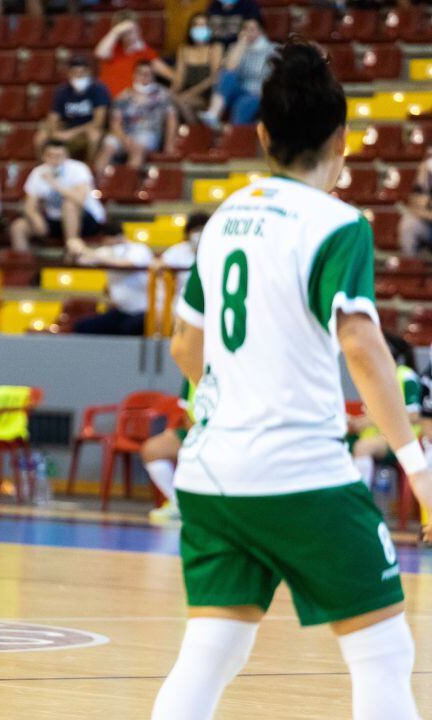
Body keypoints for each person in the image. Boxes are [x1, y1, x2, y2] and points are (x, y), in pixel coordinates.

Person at [155, 41, 431, 720]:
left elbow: (184, 344)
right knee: (384, 653)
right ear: (341, 140)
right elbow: (363, 347)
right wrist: (418, 467)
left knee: (212, 649)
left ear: (262, 135)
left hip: (213, 474)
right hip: (299, 476)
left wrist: (225, 396)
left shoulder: (223, 218)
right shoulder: (340, 225)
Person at [9, 140, 107, 257]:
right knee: (18, 227)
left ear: (67, 156)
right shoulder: (38, 172)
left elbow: (80, 199)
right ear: (43, 156)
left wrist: (53, 182)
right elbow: (29, 205)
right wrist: (35, 218)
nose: (55, 160)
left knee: (69, 205)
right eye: (51, 156)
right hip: (55, 220)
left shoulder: (79, 168)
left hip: (86, 219)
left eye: (59, 156)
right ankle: (23, 268)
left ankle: (71, 252)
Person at [350, 334, 422, 488]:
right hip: (375, 435)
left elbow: (415, 415)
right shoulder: (374, 378)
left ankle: (363, 496)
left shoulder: (406, 376)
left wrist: (373, 420)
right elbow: (370, 414)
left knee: (362, 447)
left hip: (401, 437)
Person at [93, 61, 179, 173]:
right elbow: (115, 123)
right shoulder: (123, 96)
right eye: (141, 73)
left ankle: (126, 185)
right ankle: (97, 184)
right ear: (134, 75)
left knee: (137, 147)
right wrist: (124, 138)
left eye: (148, 74)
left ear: (153, 76)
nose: (144, 77)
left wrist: (169, 144)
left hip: (148, 134)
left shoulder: (162, 94)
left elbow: (171, 119)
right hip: (124, 134)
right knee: (108, 145)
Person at [71, 221, 154, 335]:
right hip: (122, 311)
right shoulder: (106, 251)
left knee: (129, 328)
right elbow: (82, 260)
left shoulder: (139, 250)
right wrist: (74, 247)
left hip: (144, 312)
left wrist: (85, 250)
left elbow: (127, 265)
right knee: (83, 327)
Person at [199, 19, 277, 129]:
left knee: (243, 103)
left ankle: (233, 136)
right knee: (227, 75)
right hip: (239, 90)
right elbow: (230, 68)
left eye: (252, 29)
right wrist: (241, 44)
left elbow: (278, 76)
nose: (248, 32)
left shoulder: (272, 50)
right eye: (245, 29)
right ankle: (213, 113)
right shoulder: (235, 47)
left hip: (259, 93)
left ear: (260, 31)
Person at [34, 56, 111, 162]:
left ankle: (89, 169)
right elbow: (53, 117)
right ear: (69, 73)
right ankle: (44, 167)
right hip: (67, 126)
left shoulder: (99, 89)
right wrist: (54, 132)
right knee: (40, 137)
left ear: (89, 72)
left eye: (83, 72)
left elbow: (98, 122)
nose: (79, 76)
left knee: (94, 137)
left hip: (87, 129)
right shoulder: (62, 91)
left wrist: (71, 133)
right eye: (75, 72)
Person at [141, 379, 195, 525]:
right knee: (153, 449)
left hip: (230, 434)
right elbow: (187, 415)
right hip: (196, 431)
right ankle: (178, 503)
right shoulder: (191, 367)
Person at [95, 11, 173, 96]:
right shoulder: (111, 48)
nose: (131, 34)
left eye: (133, 29)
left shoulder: (146, 52)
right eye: (125, 31)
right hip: (107, 101)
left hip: (132, 103)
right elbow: (100, 54)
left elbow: (171, 76)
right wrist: (116, 30)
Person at [169, 15, 224, 125]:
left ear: (209, 29)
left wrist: (189, 93)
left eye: (202, 25)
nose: (199, 28)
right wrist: (168, 94)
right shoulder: (183, 50)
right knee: (168, 100)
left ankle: (197, 134)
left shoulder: (215, 48)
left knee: (181, 101)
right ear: (190, 29)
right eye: (196, 25)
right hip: (187, 93)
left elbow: (214, 78)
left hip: (206, 96)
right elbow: (179, 80)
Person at [398, 147, 432, 257]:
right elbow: (415, 203)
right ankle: (410, 268)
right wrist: (423, 173)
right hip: (429, 223)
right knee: (409, 224)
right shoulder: (427, 171)